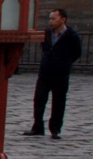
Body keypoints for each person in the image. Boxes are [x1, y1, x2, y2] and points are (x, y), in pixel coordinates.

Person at [22, 8, 82, 140]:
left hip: (61, 75)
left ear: (63, 19)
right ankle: (37, 127)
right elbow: (45, 48)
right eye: (50, 19)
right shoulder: (47, 34)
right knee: (39, 100)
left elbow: (77, 52)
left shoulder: (71, 35)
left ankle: (55, 129)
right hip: (45, 73)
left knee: (58, 102)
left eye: (54, 18)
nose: (50, 21)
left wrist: (65, 62)